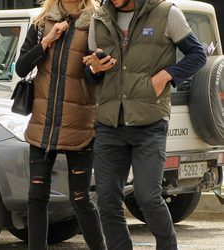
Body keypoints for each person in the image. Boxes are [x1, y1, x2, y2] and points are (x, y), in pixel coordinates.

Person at [83, 0, 207, 249]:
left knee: (148, 197)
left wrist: (167, 75)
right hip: (110, 124)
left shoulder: (166, 13)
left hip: (149, 122)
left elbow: (198, 55)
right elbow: (92, 72)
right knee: (107, 200)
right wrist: (94, 69)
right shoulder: (99, 19)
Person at [15, 0, 105, 249]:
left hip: (80, 123)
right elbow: (21, 68)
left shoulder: (96, 20)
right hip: (42, 123)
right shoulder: (42, 22)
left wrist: (96, 69)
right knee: (36, 197)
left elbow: (95, 78)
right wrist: (46, 42)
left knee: (80, 198)